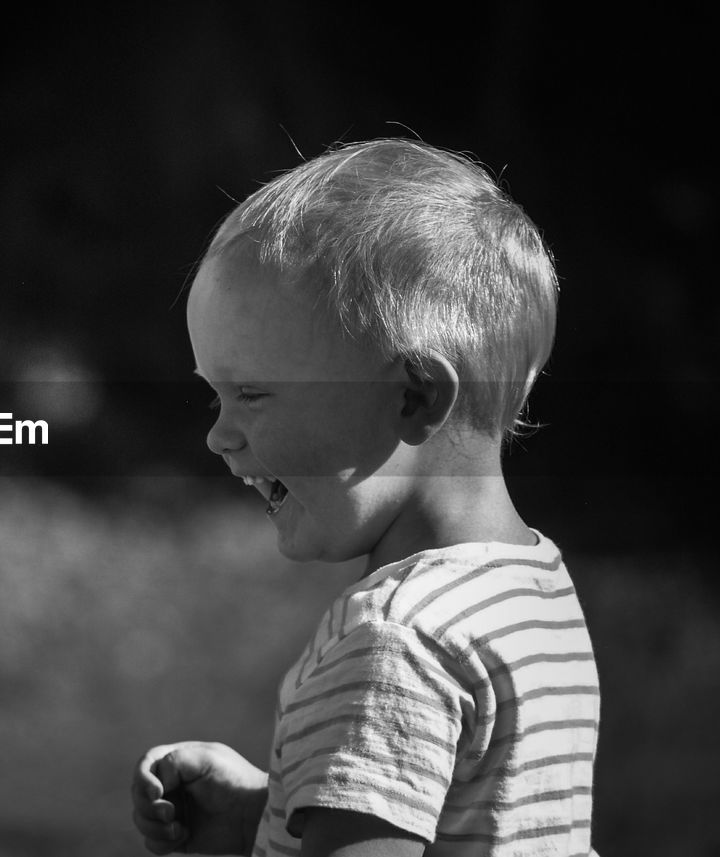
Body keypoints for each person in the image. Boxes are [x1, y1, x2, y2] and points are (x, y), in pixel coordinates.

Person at [130, 138, 599, 856]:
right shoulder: (533, 595)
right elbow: (478, 817)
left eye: (251, 394)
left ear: (413, 397)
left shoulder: (393, 641)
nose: (218, 436)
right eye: (214, 396)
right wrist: (274, 811)